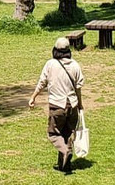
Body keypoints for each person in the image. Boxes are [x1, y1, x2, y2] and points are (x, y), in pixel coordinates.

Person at [28, 37, 84, 174]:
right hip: (72, 105)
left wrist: (33, 97)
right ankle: (64, 165)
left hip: (57, 105)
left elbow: (42, 82)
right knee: (67, 134)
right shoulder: (75, 65)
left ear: (55, 50)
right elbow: (78, 87)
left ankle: (65, 151)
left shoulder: (50, 64)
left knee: (53, 134)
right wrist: (80, 104)